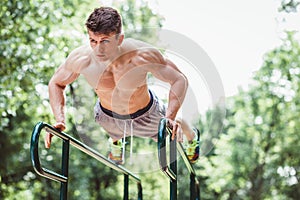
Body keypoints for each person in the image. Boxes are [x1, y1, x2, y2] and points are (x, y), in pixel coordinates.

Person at [44, 6, 200, 164]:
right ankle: (116, 141)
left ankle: (192, 137)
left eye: (105, 41)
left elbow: (179, 79)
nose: (99, 49)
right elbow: (56, 83)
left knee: (173, 124)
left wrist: (170, 117)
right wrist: (60, 119)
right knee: (113, 130)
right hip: (108, 117)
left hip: (147, 114)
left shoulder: (141, 55)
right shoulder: (81, 60)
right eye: (93, 41)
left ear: (119, 39)